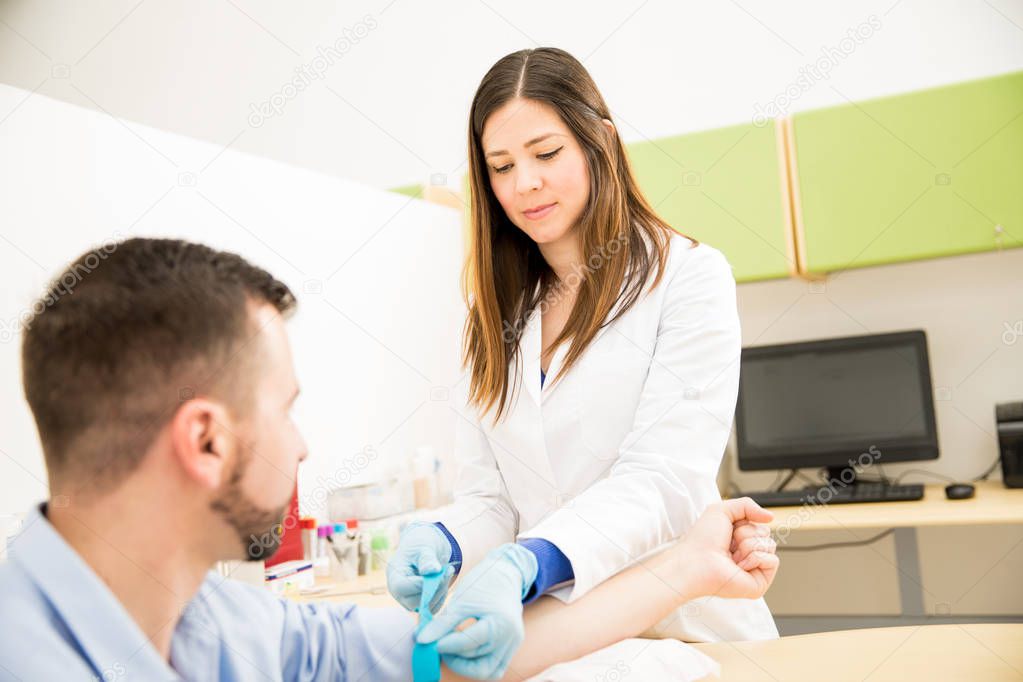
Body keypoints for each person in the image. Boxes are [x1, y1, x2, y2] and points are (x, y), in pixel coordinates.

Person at [0, 238, 778, 681]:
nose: (302, 445)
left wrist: (686, 569)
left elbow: (446, 658)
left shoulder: (222, 622)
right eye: (285, 409)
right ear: (205, 441)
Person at [388, 47, 778, 678]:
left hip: (683, 626)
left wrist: (532, 560)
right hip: (560, 633)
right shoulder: (490, 310)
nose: (524, 184)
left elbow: (663, 479)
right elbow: (491, 496)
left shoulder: (687, 278)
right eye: (501, 166)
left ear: (600, 141)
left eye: (546, 154)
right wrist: (446, 540)